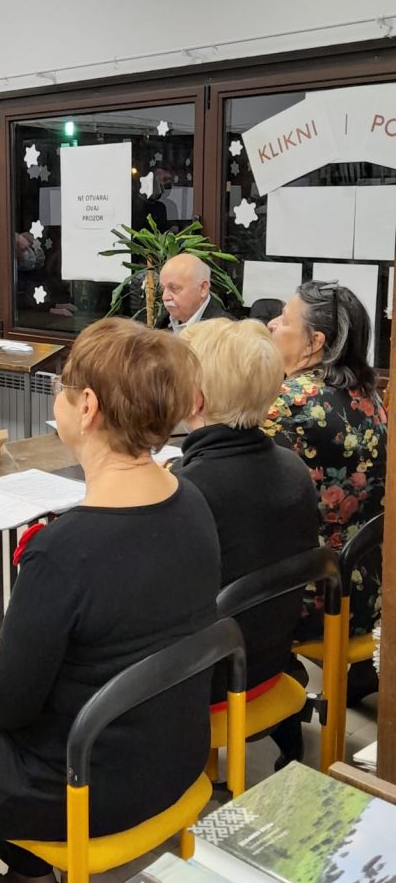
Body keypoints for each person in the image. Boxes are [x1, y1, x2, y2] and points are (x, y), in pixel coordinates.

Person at [0, 318, 220, 883]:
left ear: (88, 407)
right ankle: (28, 869)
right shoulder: (194, 502)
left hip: (83, 787)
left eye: (62, 386)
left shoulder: (64, 549)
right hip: (174, 757)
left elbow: (7, 706)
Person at [178, 318, 318, 766]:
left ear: (195, 400)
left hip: (208, 684)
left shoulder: (189, 491)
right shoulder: (294, 468)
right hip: (271, 662)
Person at [264, 281, 387, 703]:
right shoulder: (368, 394)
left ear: (314, 342)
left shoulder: (291, 401)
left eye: (284, 320)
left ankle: (278, 675)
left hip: (316, 598)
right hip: (370, 589)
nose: (272, 324)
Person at [156, 253, 233, 332]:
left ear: (203, 288)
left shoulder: (226, 331)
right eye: (162, 288)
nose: (165, 297)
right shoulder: (163, 322)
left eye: (174, 288)